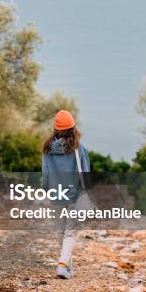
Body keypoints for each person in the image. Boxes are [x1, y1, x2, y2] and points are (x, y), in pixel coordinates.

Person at [41, 110, 90, 279]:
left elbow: (45, 175)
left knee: (61, 232)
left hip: (56, 196)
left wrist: (45, 190)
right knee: (69, 232)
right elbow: (85, 173)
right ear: (72, 128)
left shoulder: (47, 149)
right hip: (74, 196)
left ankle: (67, 266)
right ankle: (62, 265)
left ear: (56, 129)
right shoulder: (79, 148)